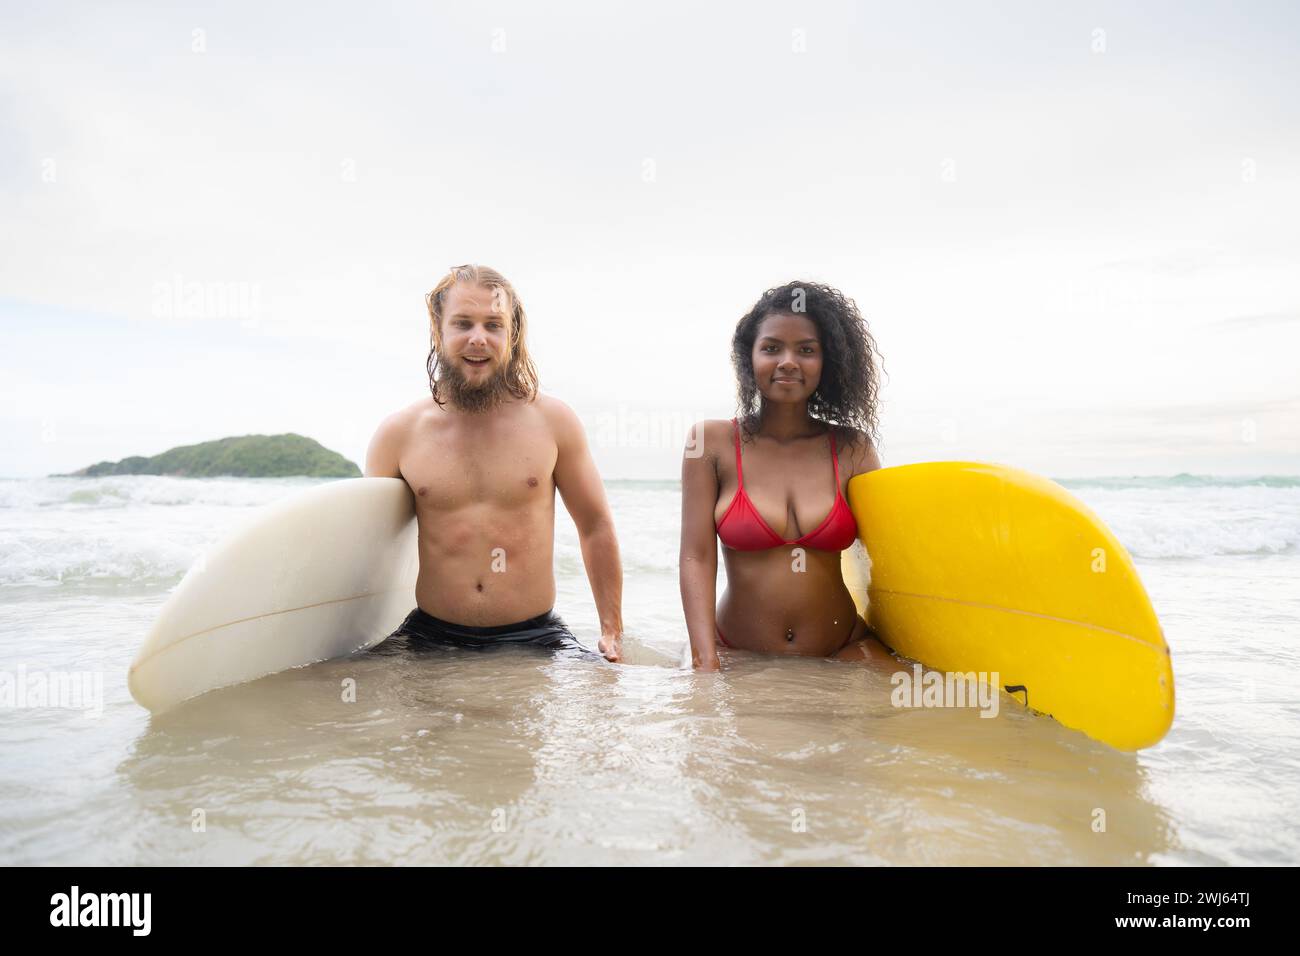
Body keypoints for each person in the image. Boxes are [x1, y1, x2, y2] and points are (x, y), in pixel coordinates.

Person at [365, 264, 623, 661]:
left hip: (536, 636)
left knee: (610, 690)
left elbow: (594, 525)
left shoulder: (553, 422)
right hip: (430, 635)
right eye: (463, 323)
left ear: (512, 334)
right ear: (439, 330)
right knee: (331, 685)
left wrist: (611, 630)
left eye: (493, 325)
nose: (478, 339)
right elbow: (369, 545)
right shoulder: (399, 434)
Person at [679, 281, 894, 671]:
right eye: (772, 347)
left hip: (843, 651)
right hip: (737, 653)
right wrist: (704, 659)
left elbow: (886, 557)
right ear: (750, 358)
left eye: (807, 350)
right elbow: (696, 555)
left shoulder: (852, 447)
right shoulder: (711, 443)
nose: (788, 361)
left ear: (828, 362)